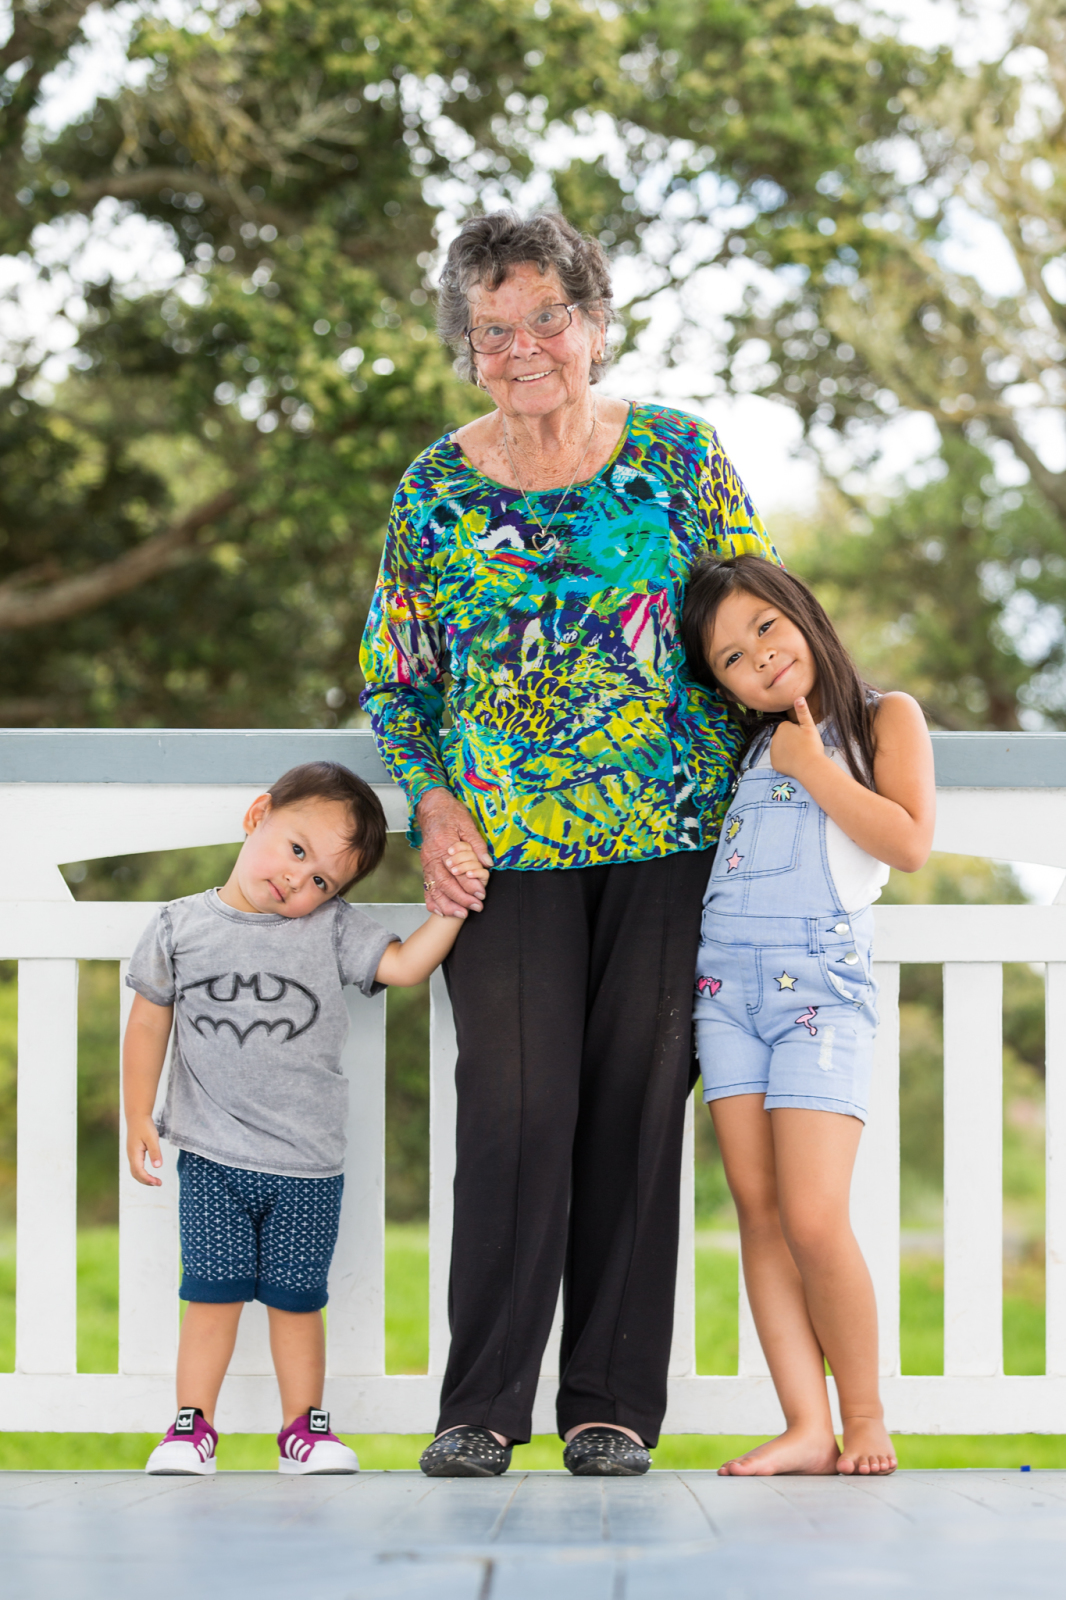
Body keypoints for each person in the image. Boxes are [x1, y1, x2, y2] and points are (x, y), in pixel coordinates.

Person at [359, 210, 781, 1477]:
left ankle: (609, 1407)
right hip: (502, 849)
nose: (523, 348)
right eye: (492, 330)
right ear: (467, 348)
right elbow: (398, 679)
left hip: (673, 834)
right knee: (512, 1107)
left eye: (547, 317)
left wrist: (811, 765)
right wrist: (431, 801)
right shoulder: (434, 488)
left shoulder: (677, 455)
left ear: (594, 325)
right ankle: (480, 1406)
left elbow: (758, 625)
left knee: (637, 1110)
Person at [123, 760, 487, 1476]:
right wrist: (139, 1113)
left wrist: (453, 905)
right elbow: (146, 1022)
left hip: (308, 1163)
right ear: (257, 815)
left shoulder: (330, 929)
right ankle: (191, 1427)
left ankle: (305, 1429)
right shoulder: (178, 926)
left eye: (322, 879)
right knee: (211, 1296)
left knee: (297, 1301)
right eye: (296, 850)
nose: (299, 881)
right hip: (211, 1154)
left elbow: (405, 966)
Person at [681, 555, 935, 1476]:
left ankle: (864, 1416)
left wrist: (813, 767)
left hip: (820, 995)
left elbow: (908, 842)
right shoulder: (750, 748)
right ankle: (805, 1426)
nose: (757, 657)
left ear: (802, 612)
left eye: (765, 627)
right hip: (725, 996)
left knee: (815, 1217)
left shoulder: (883, 717)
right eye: (730, 659)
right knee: (758, 1211)